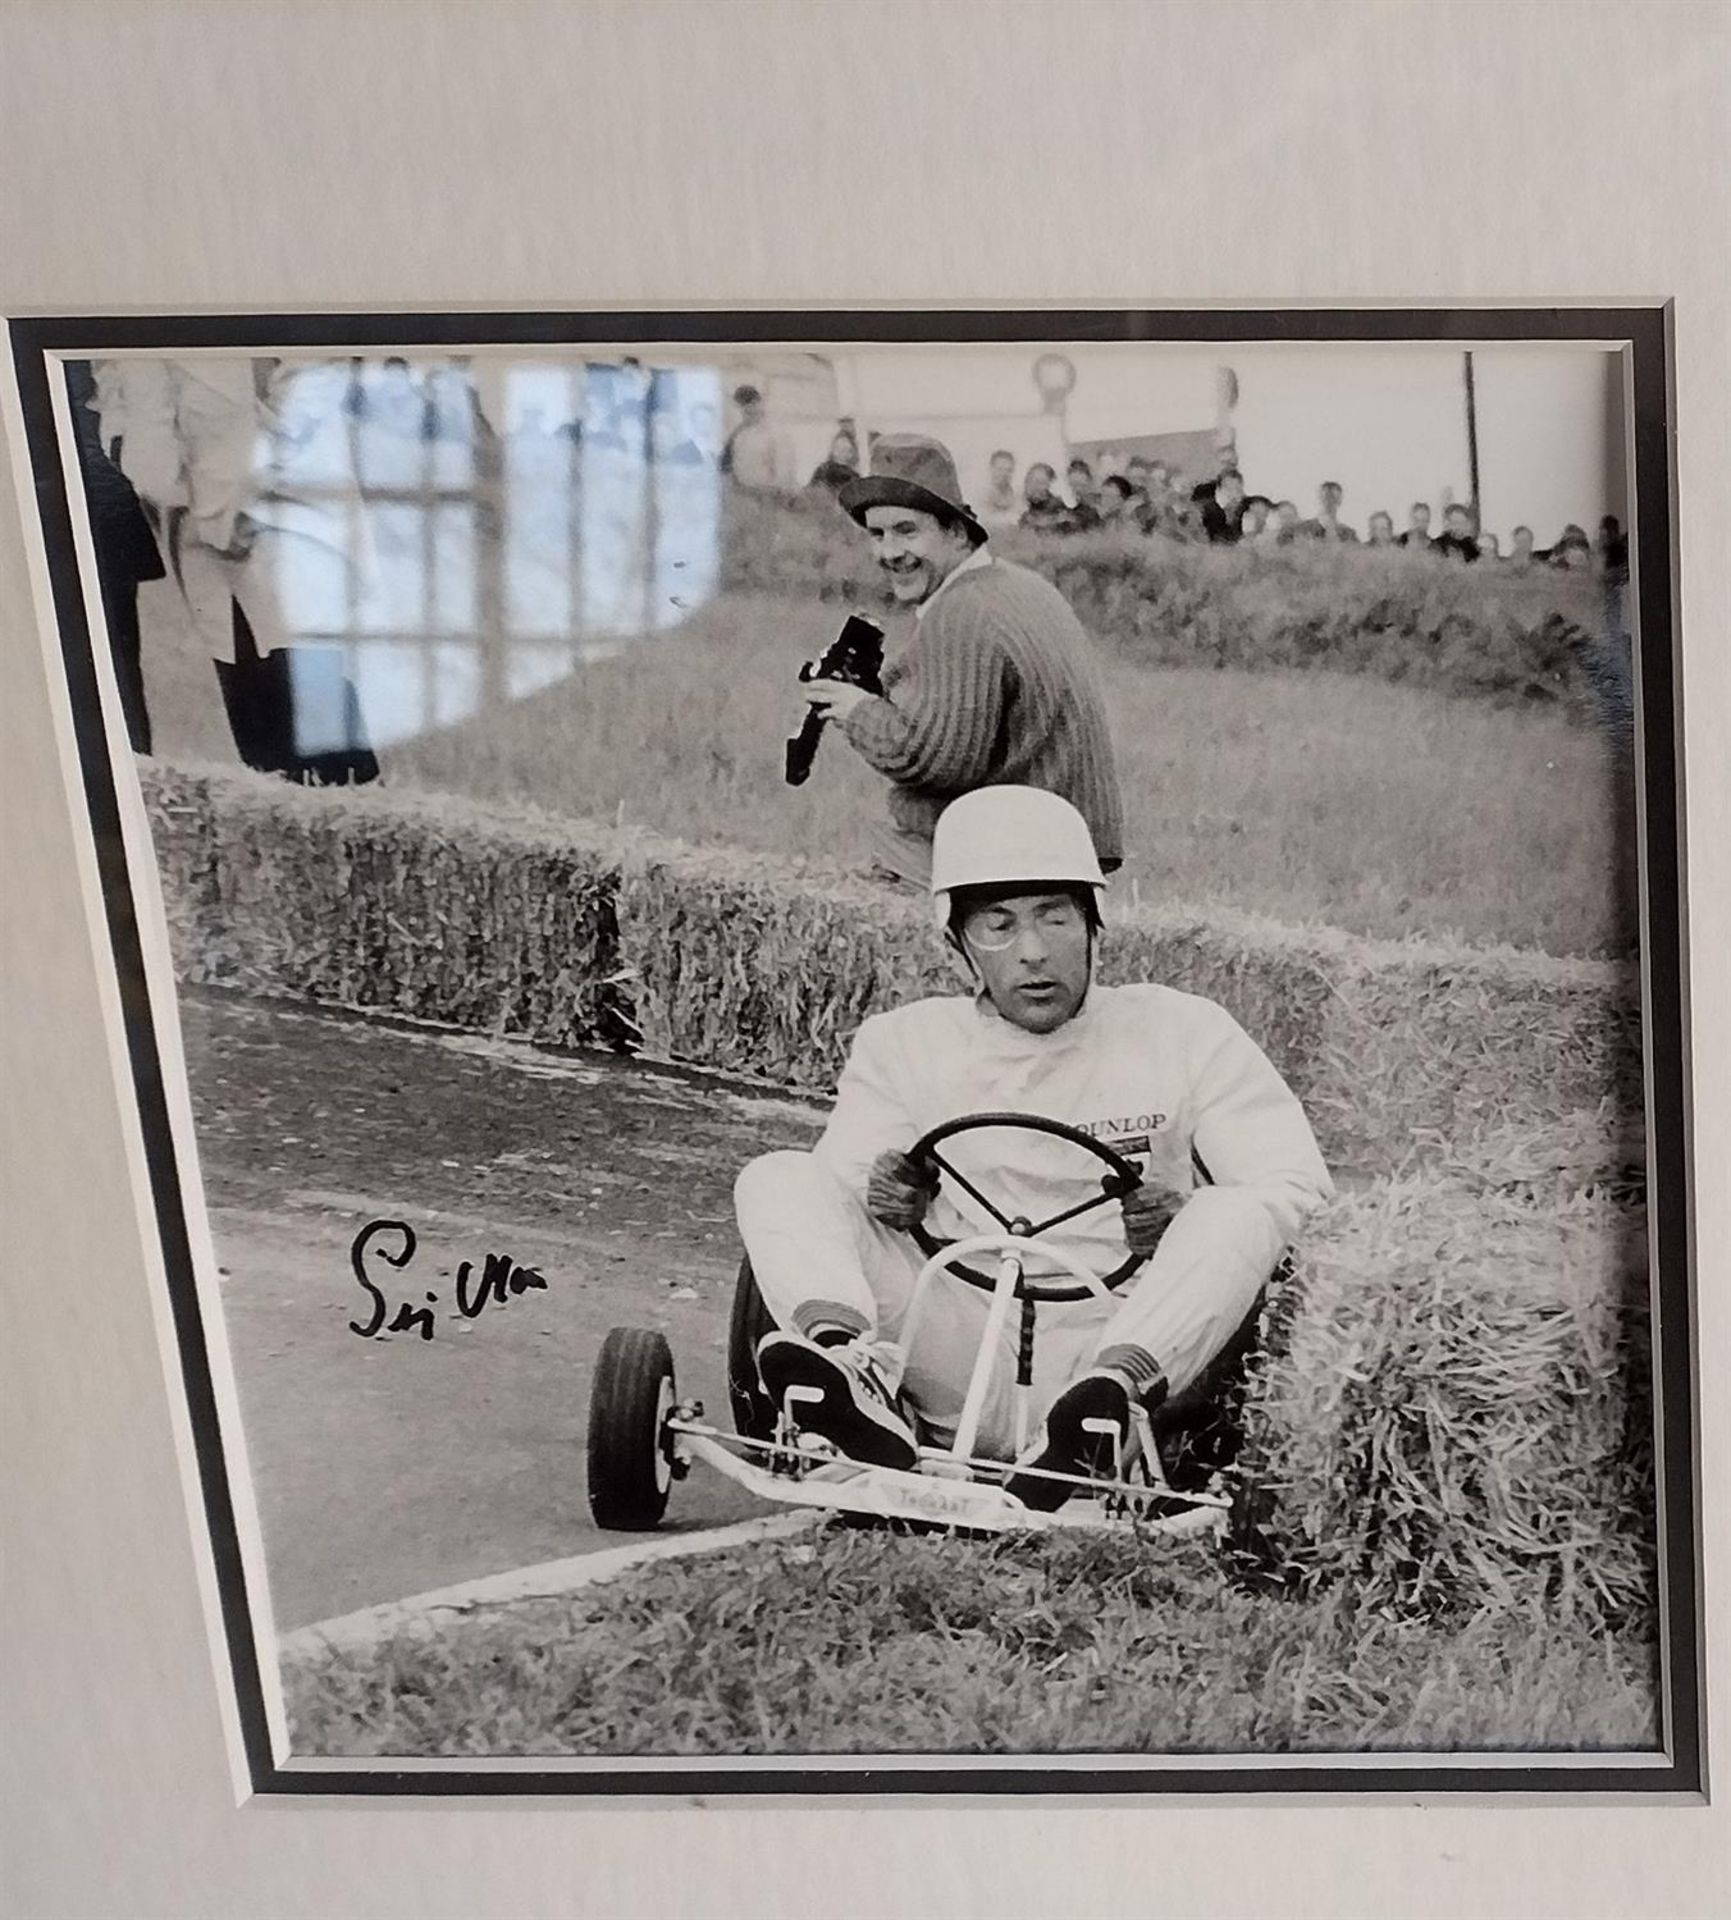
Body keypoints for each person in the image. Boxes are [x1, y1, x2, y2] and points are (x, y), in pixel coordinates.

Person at [735, 786, 1333, 1506]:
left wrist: (1182, 1216)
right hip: (941, 1335)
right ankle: (848, 1376)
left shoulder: (1184, 1032)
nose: (1032, 953)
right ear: (955, 941)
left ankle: (1101, 1416)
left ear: (1092, 922)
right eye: (998, 925)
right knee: (778, 1176)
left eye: (1054, 917)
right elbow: (839, 1190)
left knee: (1240, 1214)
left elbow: (1298, 1191)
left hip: (1113, 1331)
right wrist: (884, 1187)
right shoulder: (905, 1043)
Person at [804, 434, 1125, 888]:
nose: (889, 552)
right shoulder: (1019, 585)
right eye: (877, 534)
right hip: (1065, 847)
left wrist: (852, 708)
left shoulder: (962, 611)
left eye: (907, 530)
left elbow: (929, 759)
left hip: (1012, 863)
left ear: (956, 531)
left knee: (883, 860)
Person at [719, 384, 796, 493]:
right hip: (742, 496)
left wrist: (772, 493)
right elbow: (727, 469)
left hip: (769, 498)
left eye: (752, 403)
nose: (748, 408)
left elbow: (784, 477)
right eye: (743, 405)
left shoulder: (777, 433)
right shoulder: (738, 435)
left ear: (760, 403)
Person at [1018, 461, 1073, 534]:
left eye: (1040, 482)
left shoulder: (1057, 507)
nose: (1034, 485)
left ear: (1048, 485)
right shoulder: (1018, 502)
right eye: (1031, 480)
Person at [977, 448, 1021, 530]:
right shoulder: (981, 494)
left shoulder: (1016, 496)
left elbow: (1020, 519)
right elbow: (982, 520)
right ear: (991, 468)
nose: (1004, 474)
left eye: (1008, 470)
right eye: (1000, 469)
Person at [1199, 469, 1247, 544]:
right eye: (1231, 489)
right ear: (1219, 489)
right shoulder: (1207, 510)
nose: (1238, 494)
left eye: (1238, 490)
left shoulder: (1240, 509)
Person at [806, 429, 860, 494]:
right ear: (833, 450)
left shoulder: (854, 478)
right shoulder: (822, 471)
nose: (842, 453)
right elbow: (810, 493)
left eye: (846, 449)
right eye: (838, 448)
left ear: (851, 453)